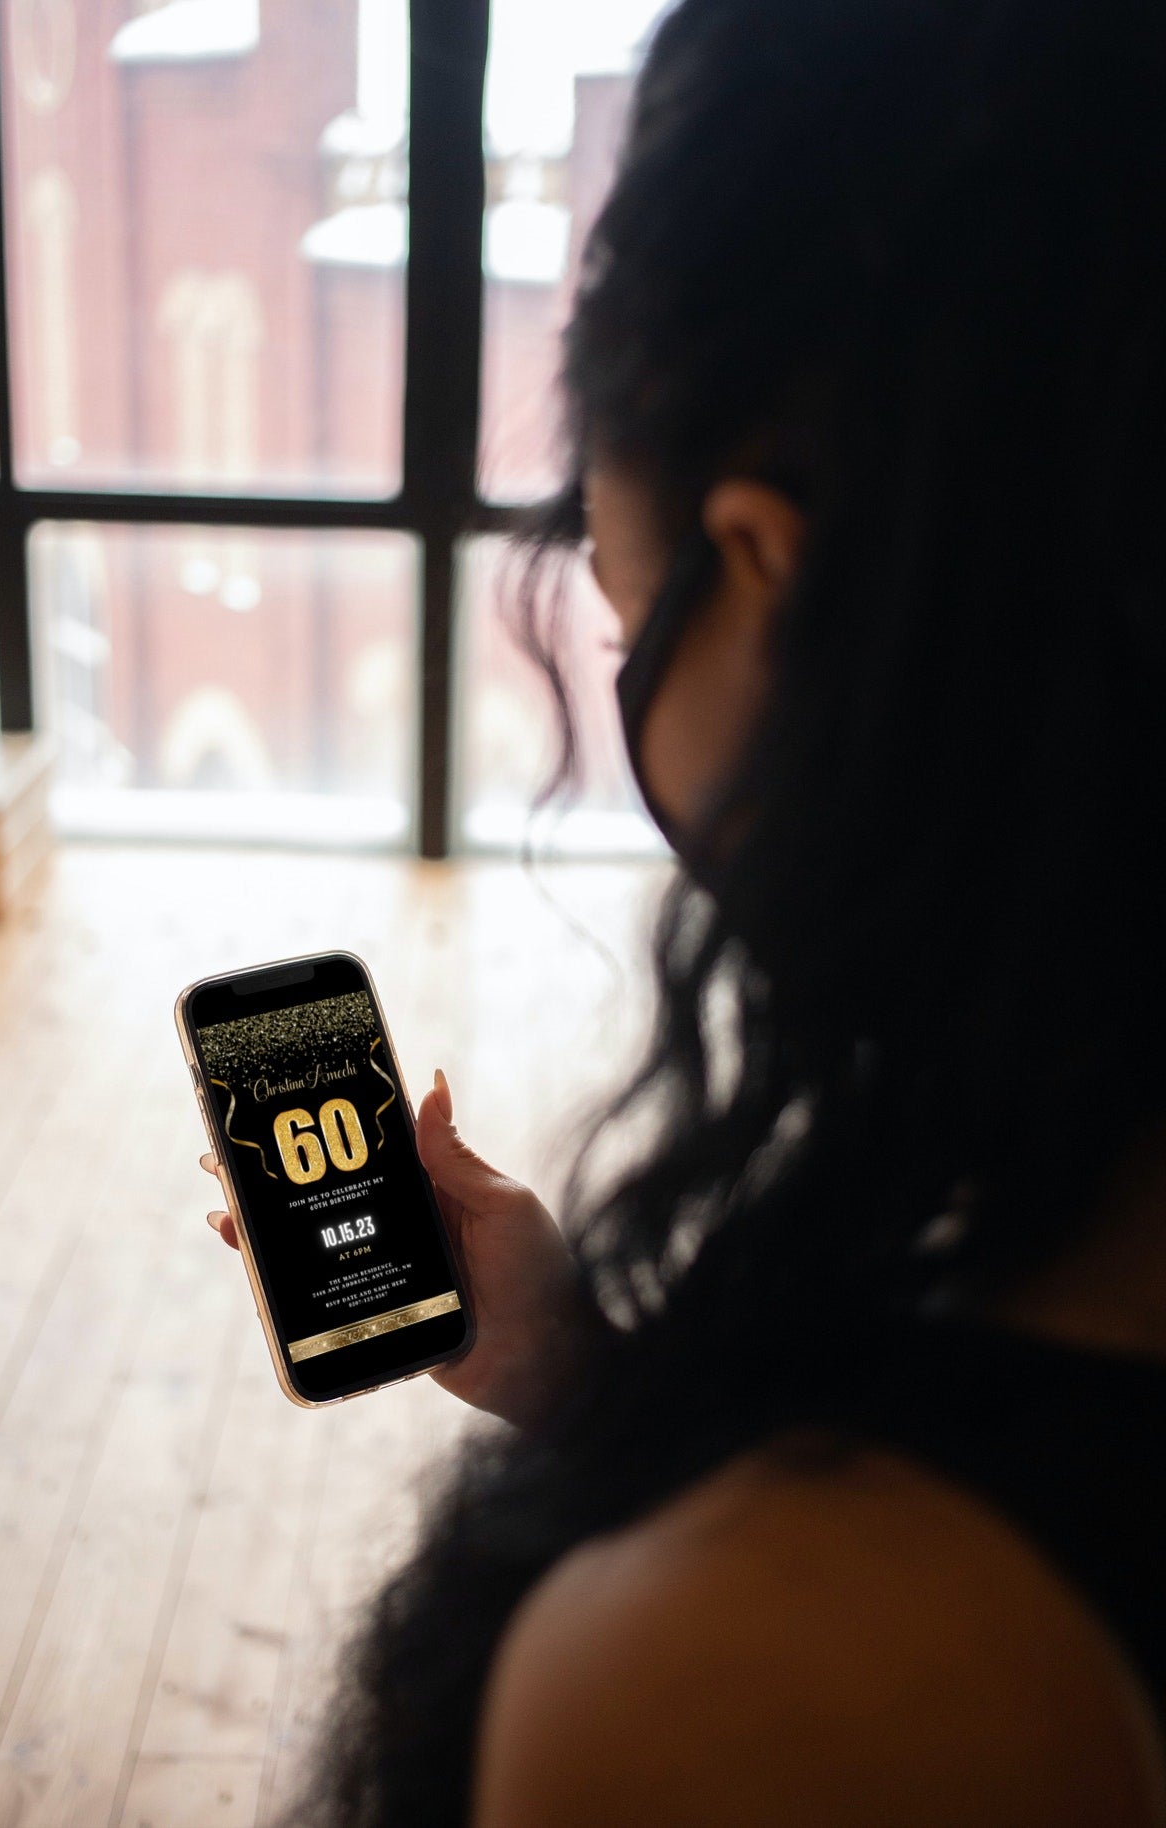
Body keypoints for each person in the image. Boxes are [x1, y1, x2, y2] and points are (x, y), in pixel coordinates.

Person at [204, 0, 1166, 1820]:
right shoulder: (1073, 1149)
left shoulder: (755, 1671)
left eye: (640, 642)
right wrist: (592, 1384)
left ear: (775, 575)